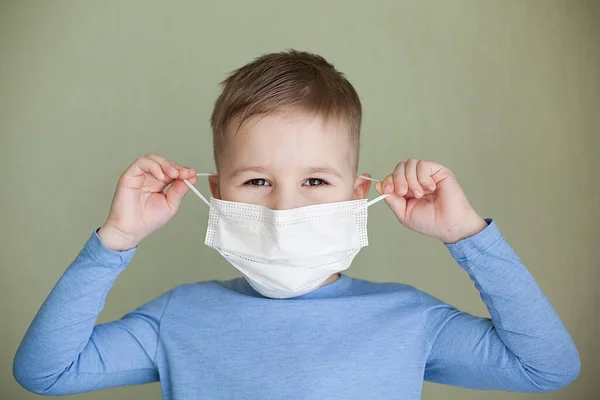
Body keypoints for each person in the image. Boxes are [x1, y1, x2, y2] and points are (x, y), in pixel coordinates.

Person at [14, 51, 580, 399]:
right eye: (256, 181)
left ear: (359, 195)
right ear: (215, 194)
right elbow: (46, 372)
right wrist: (115, 240)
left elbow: (547, 368)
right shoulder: (177, 318)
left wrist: (467, 236)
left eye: (315, 182)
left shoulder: (409, 320)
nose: (284, 210)